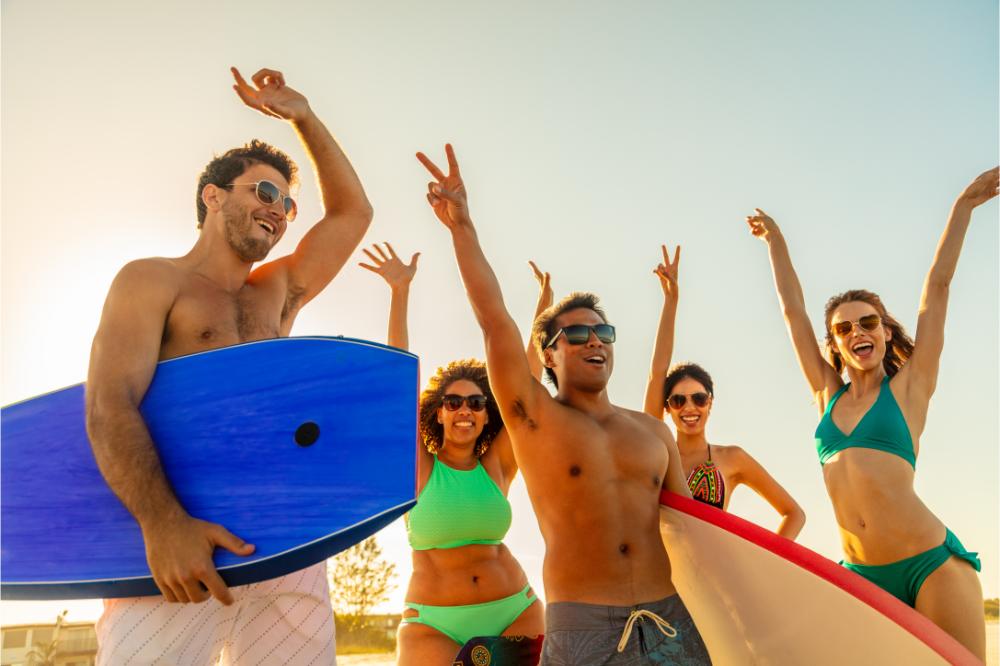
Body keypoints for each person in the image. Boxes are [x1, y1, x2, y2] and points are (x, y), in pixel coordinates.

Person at [85, 67, 373, 664]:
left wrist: (304, 117)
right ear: (213, 196)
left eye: (288, 204)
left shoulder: (278, 291)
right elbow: (109, 404)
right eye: (264, 193)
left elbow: (352, 215)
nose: (280, 210)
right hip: (176, 544)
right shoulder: (151, 280)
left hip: (289, 542)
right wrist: (162, 527)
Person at [416, 144, 711, 665]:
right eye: (576, 333)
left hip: (670, 620)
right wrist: (462, 226)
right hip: (583, 623)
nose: (594, 340)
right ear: (548, 354)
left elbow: (692, 531)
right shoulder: (535, 420)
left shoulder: (652, 432)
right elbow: (494, 320)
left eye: (602, 331)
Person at [747, 166, 997, 660]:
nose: (858, 331)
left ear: (885, 331)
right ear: (836, 345)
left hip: (931, 566)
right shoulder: (826, 394)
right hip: (860, 576)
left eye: (869, 322)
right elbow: (792, 312)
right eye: (845, 328)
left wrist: (963, 206)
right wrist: (775, 242)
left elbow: (938, 288)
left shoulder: (910, 388)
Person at [359, 243, 548, 665]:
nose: (465, 409)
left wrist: (542, 316)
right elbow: (397, 385)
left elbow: (523, 391)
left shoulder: (497, 466)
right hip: (434, 622)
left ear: (486, 418)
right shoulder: (420, 468)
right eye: (454, 402)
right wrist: (399, 291)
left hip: (515, 611)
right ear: (439, 413)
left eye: (477, 403)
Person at [642, 245, 805, 539]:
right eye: (678, 400)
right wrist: (671, 301)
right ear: (667, 408)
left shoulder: (733, 459)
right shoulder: (657, 449)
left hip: (712, 578)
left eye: (699, 398)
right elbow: (657, 372)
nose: (689, 407)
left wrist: (763, 564)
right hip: (657, 577)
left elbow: (794, 514)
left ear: (710, 403)